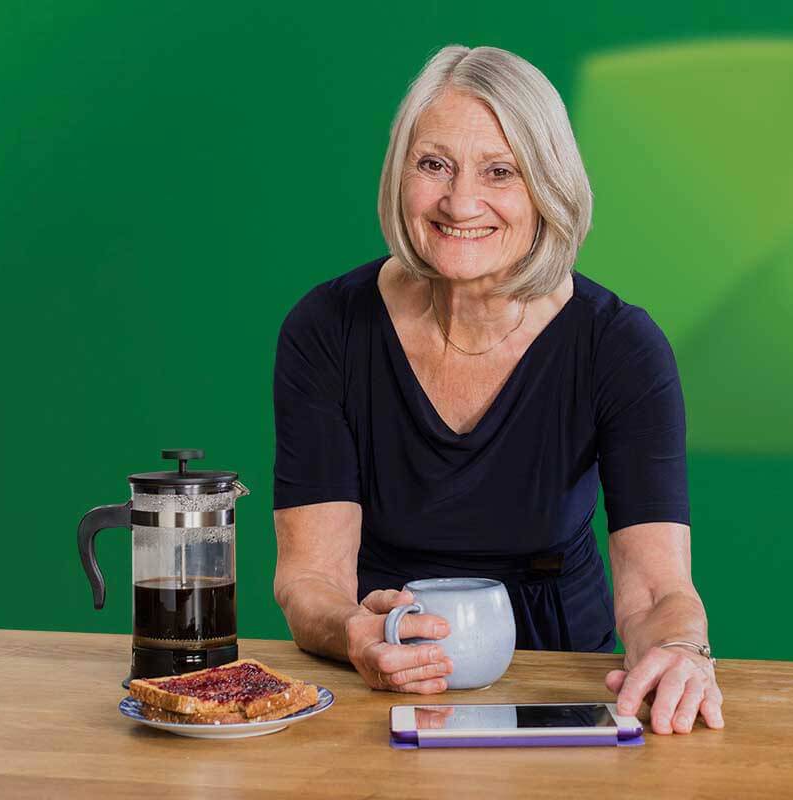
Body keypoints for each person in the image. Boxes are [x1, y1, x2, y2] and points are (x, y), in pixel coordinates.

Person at [271, 44, 723, 735]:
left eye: (500, 171)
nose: (460, 202)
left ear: (548, 186)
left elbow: (658, 588)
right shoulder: (327, 328)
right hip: (381, 672)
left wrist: (680, 651)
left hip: (562, 669)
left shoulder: (621, 347)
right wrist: (353, 633)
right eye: (434, 165)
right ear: (400, 175)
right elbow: (311, 580)